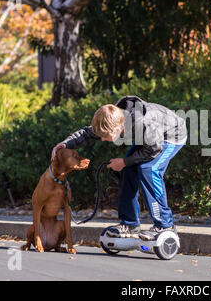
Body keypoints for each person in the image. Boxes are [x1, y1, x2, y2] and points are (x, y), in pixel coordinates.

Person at [51, 96, 187, 240]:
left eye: (105, 136)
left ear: (117, 129)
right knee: (128, 170)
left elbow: (153, 149)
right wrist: (65, 144)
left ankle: (165, 225)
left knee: (148, 170)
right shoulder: (113, 118)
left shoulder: (143, 123)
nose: (102, 139)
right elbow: (87, 134)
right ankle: (130, 224)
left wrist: (124, 161)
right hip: (151, 139)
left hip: (171, 136)